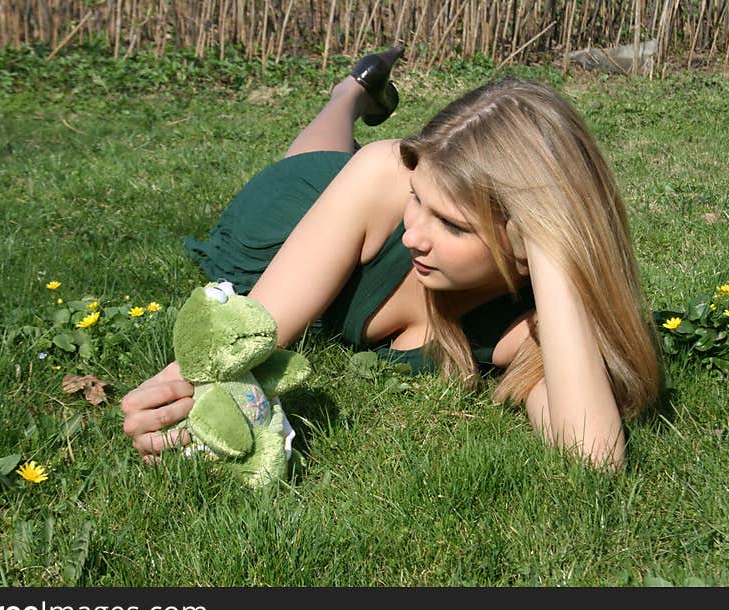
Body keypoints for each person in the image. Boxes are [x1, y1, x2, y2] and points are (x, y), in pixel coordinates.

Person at [121, 45, 661, 470]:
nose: (415, 237)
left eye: (451, 224)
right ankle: (349, 96)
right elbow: (248, 333)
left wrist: (552, 254)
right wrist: (171, 394)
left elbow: (593, 454)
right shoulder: (389, 181)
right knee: (333, 163)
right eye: (419, 200)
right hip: (289, 215)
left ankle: (352, 98)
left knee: (346, 165)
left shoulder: (534, 323)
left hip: (368, 207)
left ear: (525, 246)